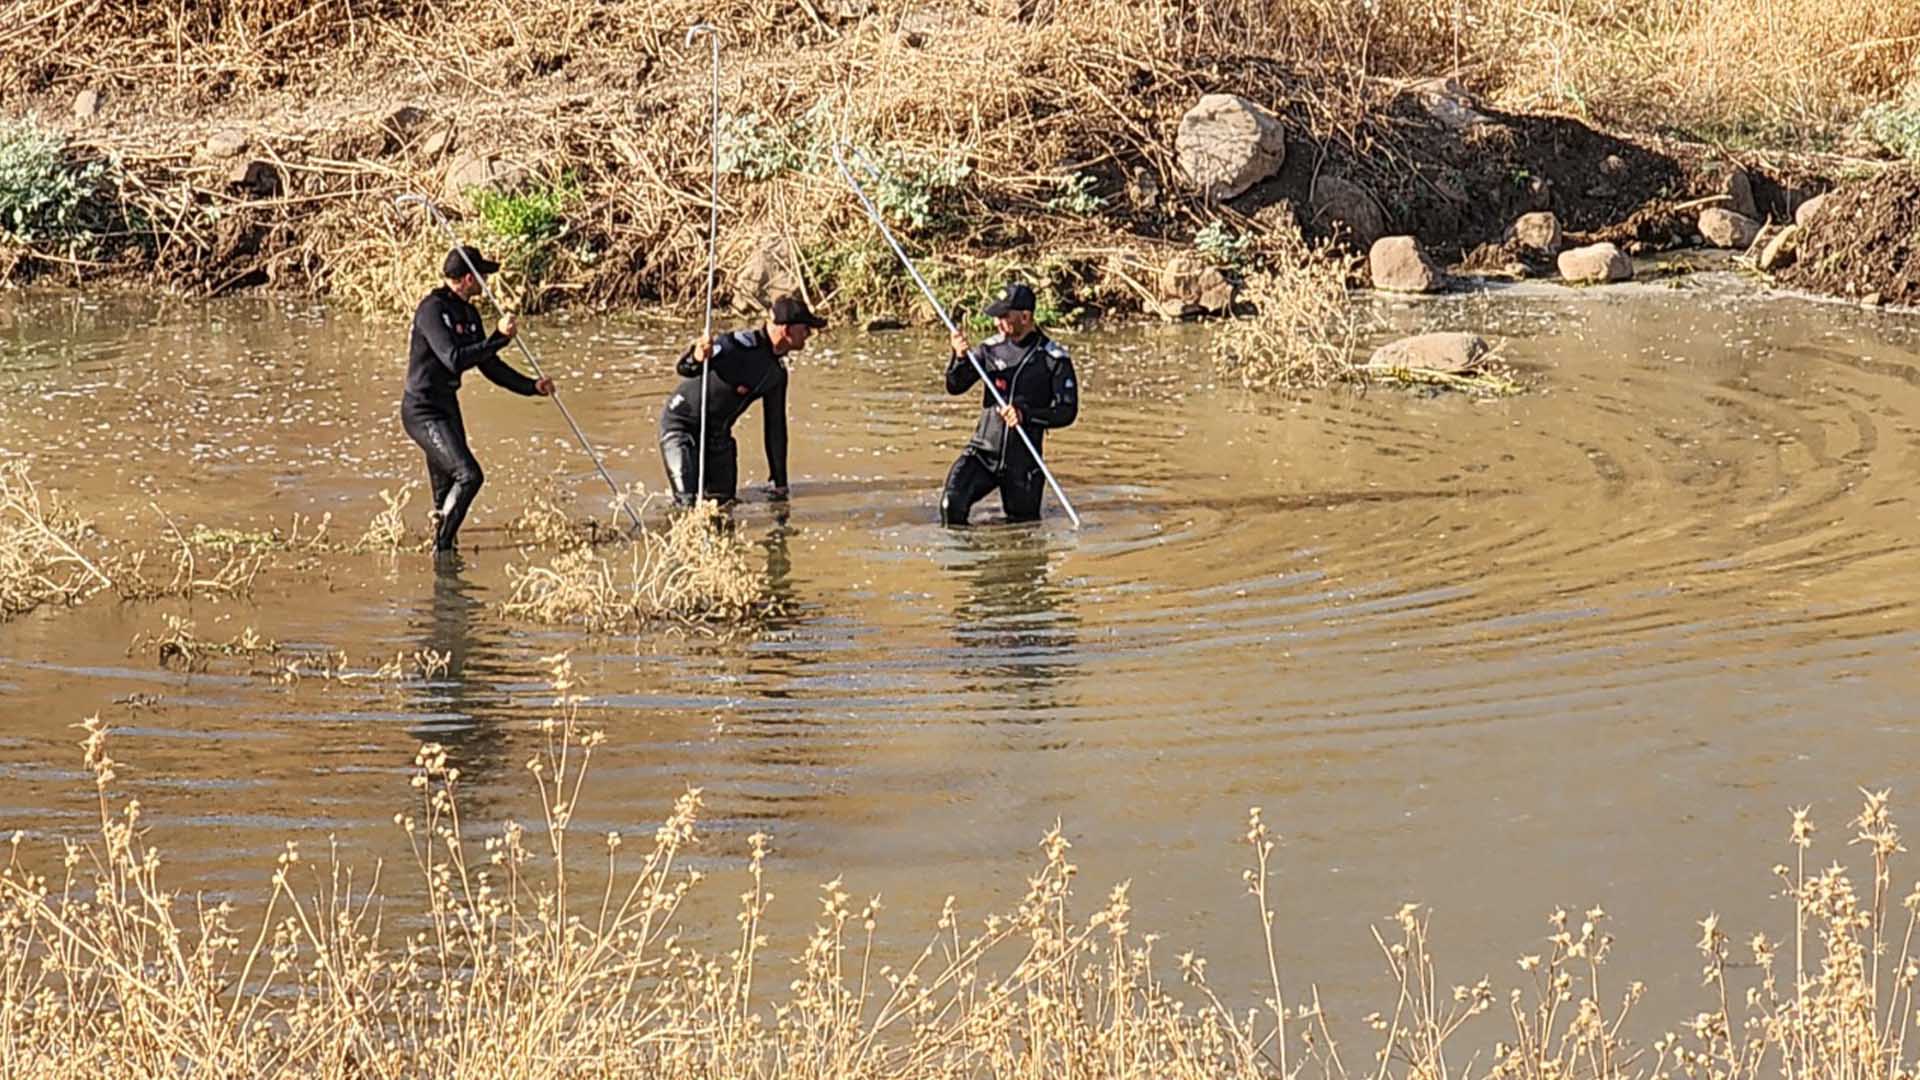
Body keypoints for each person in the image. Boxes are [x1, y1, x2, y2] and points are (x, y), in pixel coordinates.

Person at [402, 246, 553, 556]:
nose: (486, 281)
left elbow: (489, 365)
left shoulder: (469, 314)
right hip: (422, 411)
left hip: (447, 407)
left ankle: (444, 553)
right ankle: (441, 551)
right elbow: (454, 359)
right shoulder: (432, 310)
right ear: (469, 278)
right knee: (469, 476)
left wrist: (532, 387)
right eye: (483, 276)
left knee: (445, 493)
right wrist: (499, 338)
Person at [659, 294, 825, 507]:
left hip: (718, 435)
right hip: (682, 426)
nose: (809, 335)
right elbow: (685, 369)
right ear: (787, 330)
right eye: (806, 329)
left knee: (724, 506)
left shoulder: (776, 374)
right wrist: (697, 356)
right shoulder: (735, 347)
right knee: (687, 504)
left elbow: (775, 427)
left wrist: (780, 481)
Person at [940, 283, 1078, 526]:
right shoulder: (989, 350)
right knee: (951, 505)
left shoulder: (1053, 359)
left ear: (1025, 317)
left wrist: (1026, 415)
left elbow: (1067, 412)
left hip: (1023, 462)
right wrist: (959, 357)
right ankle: (964, 560)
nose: (997, 323)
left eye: (1004, 317)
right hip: (983, 453)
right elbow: (955, 386)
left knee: (1022, 530)